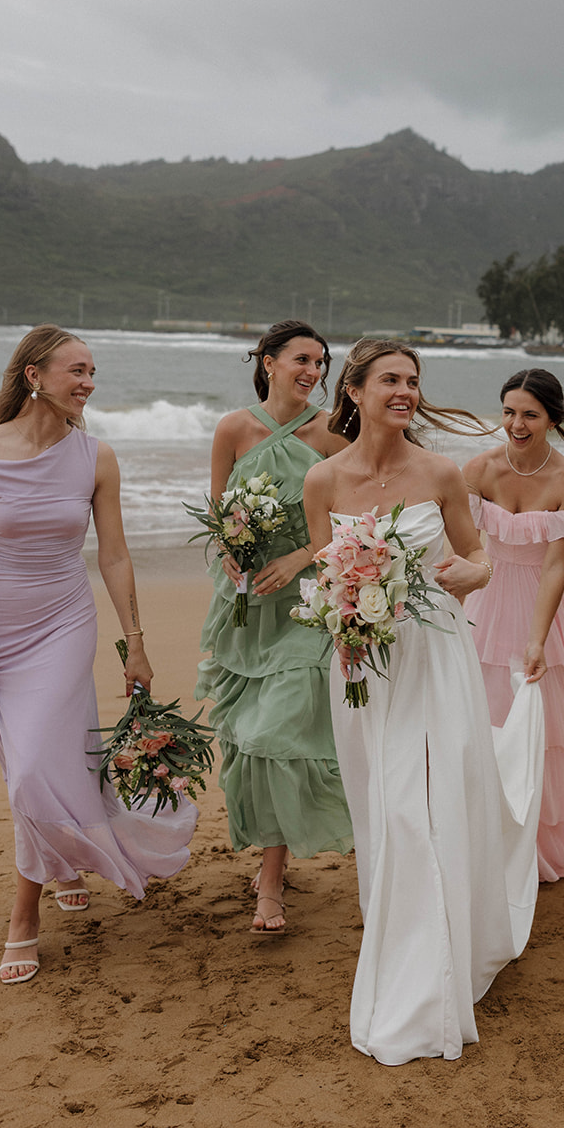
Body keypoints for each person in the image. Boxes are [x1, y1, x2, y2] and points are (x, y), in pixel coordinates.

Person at [304, 338, 540, 1065]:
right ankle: (399, 935)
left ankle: (427, 972)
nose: (404, 391)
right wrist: (344, 610)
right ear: (356, 390)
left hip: (434, 653)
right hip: (363, 665)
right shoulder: (321, 480)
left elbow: (479, 561)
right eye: (390, 380)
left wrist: (454, 581)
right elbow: (319, 581)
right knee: (382, 804)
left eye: (412, 381)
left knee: (424, 801)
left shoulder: (438, 472)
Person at [0, 325, 195, 986]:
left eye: (93, 371)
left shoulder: (96, 457)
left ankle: (24, 913)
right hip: (1, 629)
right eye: (76, 370)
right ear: (34, 375)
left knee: (35, 768)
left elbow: (112, 554)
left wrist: (135, 642)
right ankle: (59, 865)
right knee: (33, 765)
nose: (88, 381)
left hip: (64, 623)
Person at [196, 320, 353, 934]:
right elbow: (217, 509)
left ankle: (269, 880)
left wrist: (300, 555)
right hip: (242, 603)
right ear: (267, 362)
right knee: (244, 740)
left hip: (303, 606)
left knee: (279, 729)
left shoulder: (334, 440)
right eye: (302, 360)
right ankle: (273, 854)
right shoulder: (233, 428)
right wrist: (227, 546)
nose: (314, 372)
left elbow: (349, 526)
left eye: (321, 362)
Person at [464, 368, 564, 881]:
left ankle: (538, 846)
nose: (516, 424)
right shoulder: (478, 468)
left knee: (541, 730)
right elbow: (465, 546)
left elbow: (556, 564)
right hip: (484, 596)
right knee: (484, 720)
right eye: (508, 412)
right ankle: (485, 839)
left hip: (544, 605)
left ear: (551, 418)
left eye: (529, 414)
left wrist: (537, 639)